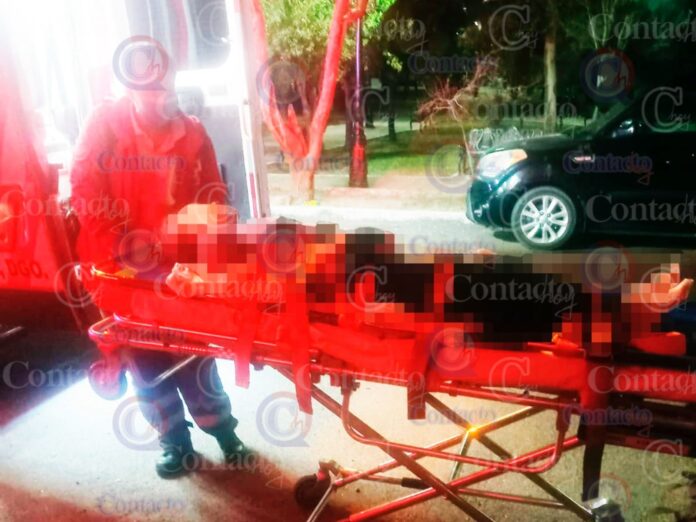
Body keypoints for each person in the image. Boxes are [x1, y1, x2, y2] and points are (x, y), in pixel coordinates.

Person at [70, 49, 246, 478]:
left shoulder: (192, 132)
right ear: (129, 88)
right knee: (144, 358)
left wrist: (213, 223)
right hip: (121, 268)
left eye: (165, 84)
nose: (159, 95)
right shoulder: (104, 127)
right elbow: (85, 193)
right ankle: (174, 442)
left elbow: (213, 191)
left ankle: (223, 429)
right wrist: (128, 245)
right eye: (148, 86)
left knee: (196, 352)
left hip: (179, 267)